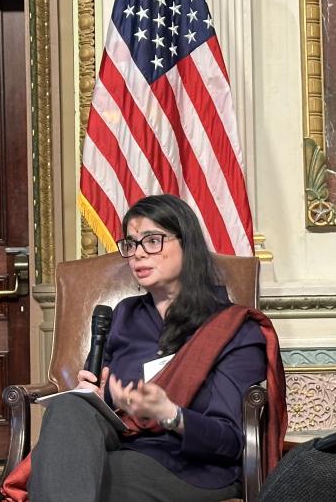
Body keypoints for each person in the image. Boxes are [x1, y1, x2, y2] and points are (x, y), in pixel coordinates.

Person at [24, 194, 285, 502]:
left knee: (80, 476)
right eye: (131, 244)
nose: (137, 254)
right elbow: (112, 412)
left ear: (187, 244)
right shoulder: (125, 315)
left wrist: (169, 414)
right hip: (122, 445)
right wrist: (96, 400)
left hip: (192, 467)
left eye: (152, 241)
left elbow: (231, 441)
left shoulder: (235, 328)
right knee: (70, 408)